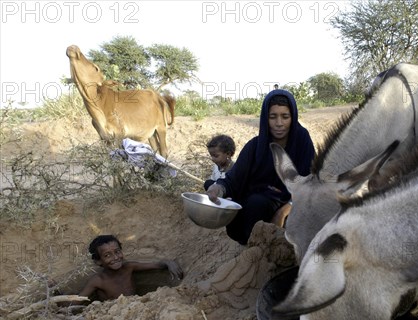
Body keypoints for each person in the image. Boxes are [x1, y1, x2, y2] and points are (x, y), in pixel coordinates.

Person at [207, 89, 315, 244]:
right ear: (265, 118)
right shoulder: (256, 146)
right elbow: (234, 178)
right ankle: (253, 248)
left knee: (256, 204)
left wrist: (284, 210)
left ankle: (268, 248)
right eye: (273, 117)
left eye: (285, 116)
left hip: (294, 202)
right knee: (237, 211)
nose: (279, 123)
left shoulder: (302, 142)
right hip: (259, 198)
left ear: (293, 117)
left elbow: (311, 183)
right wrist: (219, 189)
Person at [78, 235, 183, 301]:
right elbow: (78, 299)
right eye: (107, 255)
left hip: (135, 308)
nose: (115, 258)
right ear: (98, 261)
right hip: (114, 316)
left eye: (117, 251)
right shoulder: (98, 280)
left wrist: (169, 263)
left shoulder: (128, 267)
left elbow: (157, 265)